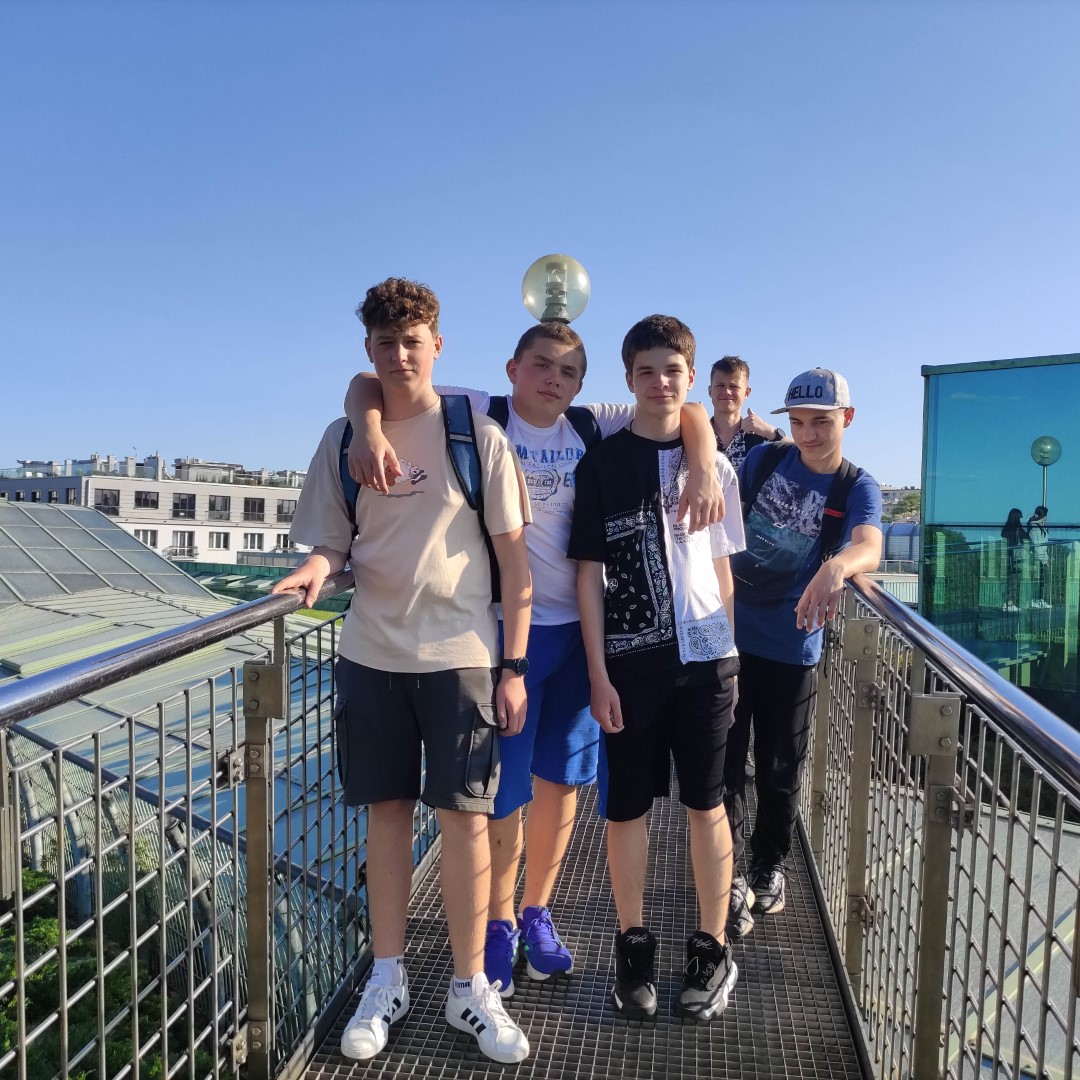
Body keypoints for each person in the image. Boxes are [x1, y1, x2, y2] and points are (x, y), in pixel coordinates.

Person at [343, 321, 724, 998]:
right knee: (502, 793)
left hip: (579, 636)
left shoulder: (590, 423)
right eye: (541, 365)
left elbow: (685, 405)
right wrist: (367, 430)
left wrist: (699, 462)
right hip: (505, 638)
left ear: (582, 383)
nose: (554, 379)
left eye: (568, 371)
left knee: (562, 783)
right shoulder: (478, 412)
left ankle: (535, 911)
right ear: (512, 368)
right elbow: (372, 380)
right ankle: (497, 925)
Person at [273, 278, 533, 1064]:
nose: (399, 355)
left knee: (465, 819)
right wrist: (315, 569)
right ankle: (387, 976)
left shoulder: (477, 436)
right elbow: (332, 542)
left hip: (461, 655)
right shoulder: (343, 438)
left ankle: (470, 986)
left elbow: (516, 565)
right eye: (385, 343)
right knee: (384, 815)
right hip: (371, 652)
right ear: (369, 349)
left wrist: (514, 666)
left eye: (412, 341)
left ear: (437, 346)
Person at [568, 314, 745, 1022]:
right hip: (630, 665)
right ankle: (632, 944)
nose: (660, 383)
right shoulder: (601, 465)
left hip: (707, 663)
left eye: (673, 371)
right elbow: (587, 575)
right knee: (626, 809)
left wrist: (730, 651)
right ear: (629, 378)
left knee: (708, 803)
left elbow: (722, 565)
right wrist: (598, 674)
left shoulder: (716, 466)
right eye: (646, 371)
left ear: (690, 377)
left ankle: (712, 945)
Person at [724, 368, 882, 938]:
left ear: (847, 419)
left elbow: (869, 544)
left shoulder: (855, 486)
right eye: (798, 422)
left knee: (779, 764)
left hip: (791, 643)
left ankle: (768, 866)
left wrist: (837, 567)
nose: (809, 434)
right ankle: (727, 872)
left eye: (821, 422)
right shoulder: (763, 461)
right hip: (729, 632)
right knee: (724, 763)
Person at [708, 354, 785, 470]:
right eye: (720, 385)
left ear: (747, 392)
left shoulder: (761, 441)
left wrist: (771, 432)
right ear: (710, 391)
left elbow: (799, 453)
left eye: (733, 386)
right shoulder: (695, 436)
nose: (727, 391)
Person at [1001, 508, 1028, 612]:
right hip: (1015, 559)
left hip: (1005, 558)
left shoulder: (1006, 527)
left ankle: (1005, 603)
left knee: (1007, 581)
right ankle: (1010, 603)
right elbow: (1026, 537)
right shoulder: (1017, 528)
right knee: (1014, 581)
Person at [1027, 506, 1050, 608]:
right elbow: (1035, 544)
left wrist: (1045, 559)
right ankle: (1032, 599)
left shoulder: (1042, 527)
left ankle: (1040, 599)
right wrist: (1039, 558)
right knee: (1035, 579)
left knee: (1042, 580)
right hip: (1036, 558)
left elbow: (1044, 545)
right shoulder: (1034, 528)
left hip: (1041, 558)